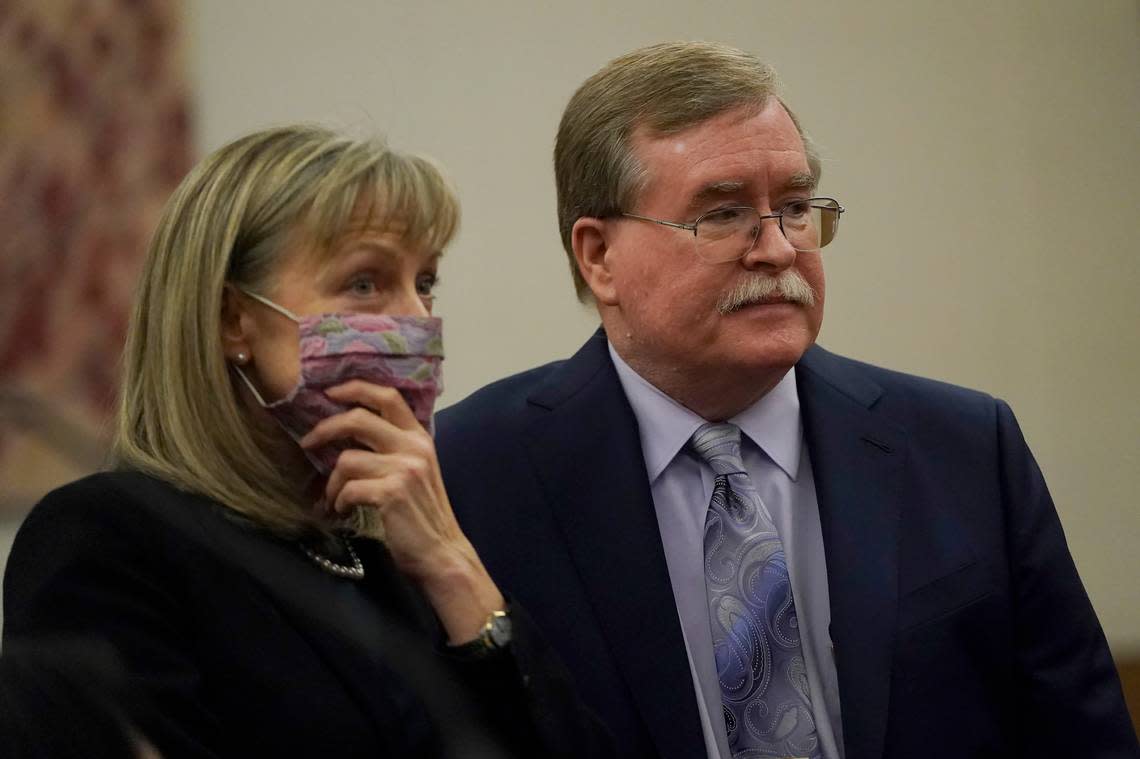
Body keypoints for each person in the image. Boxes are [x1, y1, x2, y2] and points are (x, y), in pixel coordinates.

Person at [435, 41, 1140, 759]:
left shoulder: (964, 446)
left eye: (796, 207)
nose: (776, 248)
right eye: (724, 214)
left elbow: (1083, 736)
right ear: (598, 255)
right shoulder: (474, 471)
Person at [3, 125, 612, 758]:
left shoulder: (394, 550)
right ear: (232, 319)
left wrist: (454, 569)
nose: (415, 319)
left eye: (425, 282)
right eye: (365, 282)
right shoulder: (111, 538)